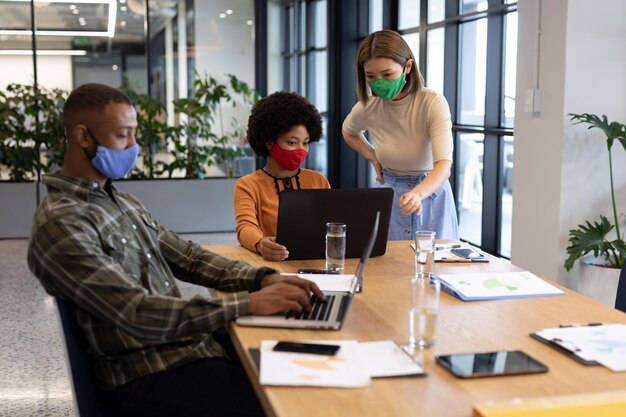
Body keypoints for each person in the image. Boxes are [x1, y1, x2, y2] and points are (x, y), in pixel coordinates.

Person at [27, 83, 325, 417]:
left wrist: (262, 279)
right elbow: (136, 312)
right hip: (150, 374)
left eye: (134, 135)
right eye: (123, 135)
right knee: (294, 406)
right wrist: (249, 303)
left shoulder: (120, 201)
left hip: (189, 349)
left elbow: (189, 257)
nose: (134, 147)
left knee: (313, 366)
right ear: (83, 136)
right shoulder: (62, 222)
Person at [342, 30, 459, 241]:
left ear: (407, 67)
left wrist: (419, 193)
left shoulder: (431, 102)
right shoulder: (368, 106)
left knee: (436, 266)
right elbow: (349, 132)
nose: (379, 82)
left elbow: (444, 164)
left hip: (430, 193)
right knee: (387, 265)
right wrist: (373, 156)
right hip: (390, 192)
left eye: (387, 75)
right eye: (371, 76)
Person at [234, 91, 330, 261]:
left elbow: (331, 223)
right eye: (292, 142)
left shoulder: (319, 180)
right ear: (270, 143)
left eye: (305, 142)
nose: (301, 149)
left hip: (316, 262)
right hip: (273, 264)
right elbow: (245, 227)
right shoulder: (248, 185)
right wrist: (261, 244)